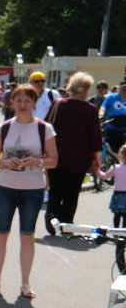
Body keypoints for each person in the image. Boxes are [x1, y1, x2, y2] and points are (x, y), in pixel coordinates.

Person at [0, 84, 57, 299]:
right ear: (12, 103)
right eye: (19, 100)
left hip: (33, 188)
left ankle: (25, 284)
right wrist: (6, 162)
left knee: (27, 236)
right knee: (1, 233)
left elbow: (53, 161)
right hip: (5, 187)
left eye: (27, 101)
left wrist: (38, 160)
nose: (23, 105)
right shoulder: (4, 128)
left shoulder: (44, 128)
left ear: (35, 103)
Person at [45, 72, 101, 230]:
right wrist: (97, 158)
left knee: (55, 189)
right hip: (79, 157)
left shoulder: (58, 104)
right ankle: (66, 222)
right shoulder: (91, 109)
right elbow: (95, 136)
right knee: (72, 192)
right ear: (86, 90)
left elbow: (46, 128)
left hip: (56, 155)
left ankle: (51, 216)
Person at [98, 145, 126, 227]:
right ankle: (124, 232)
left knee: (117, 214)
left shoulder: (115, 167)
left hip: (117, 194)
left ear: (120, 155)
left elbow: (104, 176)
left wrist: (97, 171)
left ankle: (116, 230)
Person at [100, 80, 126, 155]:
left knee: (122, 150)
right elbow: (103, 106)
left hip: (124, 129)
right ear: (119, 88)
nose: (124, 90)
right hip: (112, 127)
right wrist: (101, 115)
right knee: (111, 149)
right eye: (123, 88)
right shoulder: (112, 97)